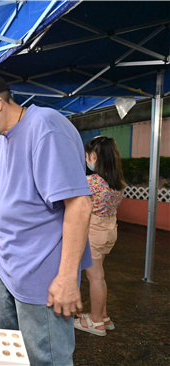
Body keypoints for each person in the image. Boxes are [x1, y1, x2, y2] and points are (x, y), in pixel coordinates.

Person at [0, 73, 93, 365]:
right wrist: (1, 238)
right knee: (13, 354)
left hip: (42, 275)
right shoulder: (5, 137)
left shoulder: (45, 127)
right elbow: (16, 196)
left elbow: (79, 205)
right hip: (10, 268)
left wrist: (66, 278)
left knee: (46, 358)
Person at [74, 136, 125, 336]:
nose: (86, 160)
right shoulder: (117, 182)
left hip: (94, 231)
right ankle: (102, 315)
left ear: (94, 156)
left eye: (87, 156)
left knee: (95, 276)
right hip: (110, 229)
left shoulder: (91, 182)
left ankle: (96, 321)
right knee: (100, 274)